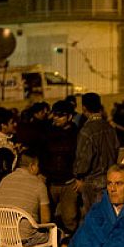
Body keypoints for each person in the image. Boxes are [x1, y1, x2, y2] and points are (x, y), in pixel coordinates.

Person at [73, 92, 119, 215]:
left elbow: (83, 158)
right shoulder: (109, 128)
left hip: (92, 183)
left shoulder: (86, 131)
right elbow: (116, 150)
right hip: (110, 180)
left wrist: (78, 176)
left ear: (84, 108)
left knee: (94, 220)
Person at [0, 151, 51, 246]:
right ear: (32, 166)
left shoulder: (4, 180)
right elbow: (46, 220)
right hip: (25, 237)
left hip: (0, 234)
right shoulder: (38, 184)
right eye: (38, 166)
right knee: (58, 234)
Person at [42, 100, 80, 234]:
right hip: (51, 183)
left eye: (60, 115)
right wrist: (42, 173)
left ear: (70, 117)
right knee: (46, 219)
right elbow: (42, 154)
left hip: (69, 183)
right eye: (55, 114)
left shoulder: (77, 134)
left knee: (70, 219)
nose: (56, 118)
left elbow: (80, 157)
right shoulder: (48, 132)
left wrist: (80, 178)